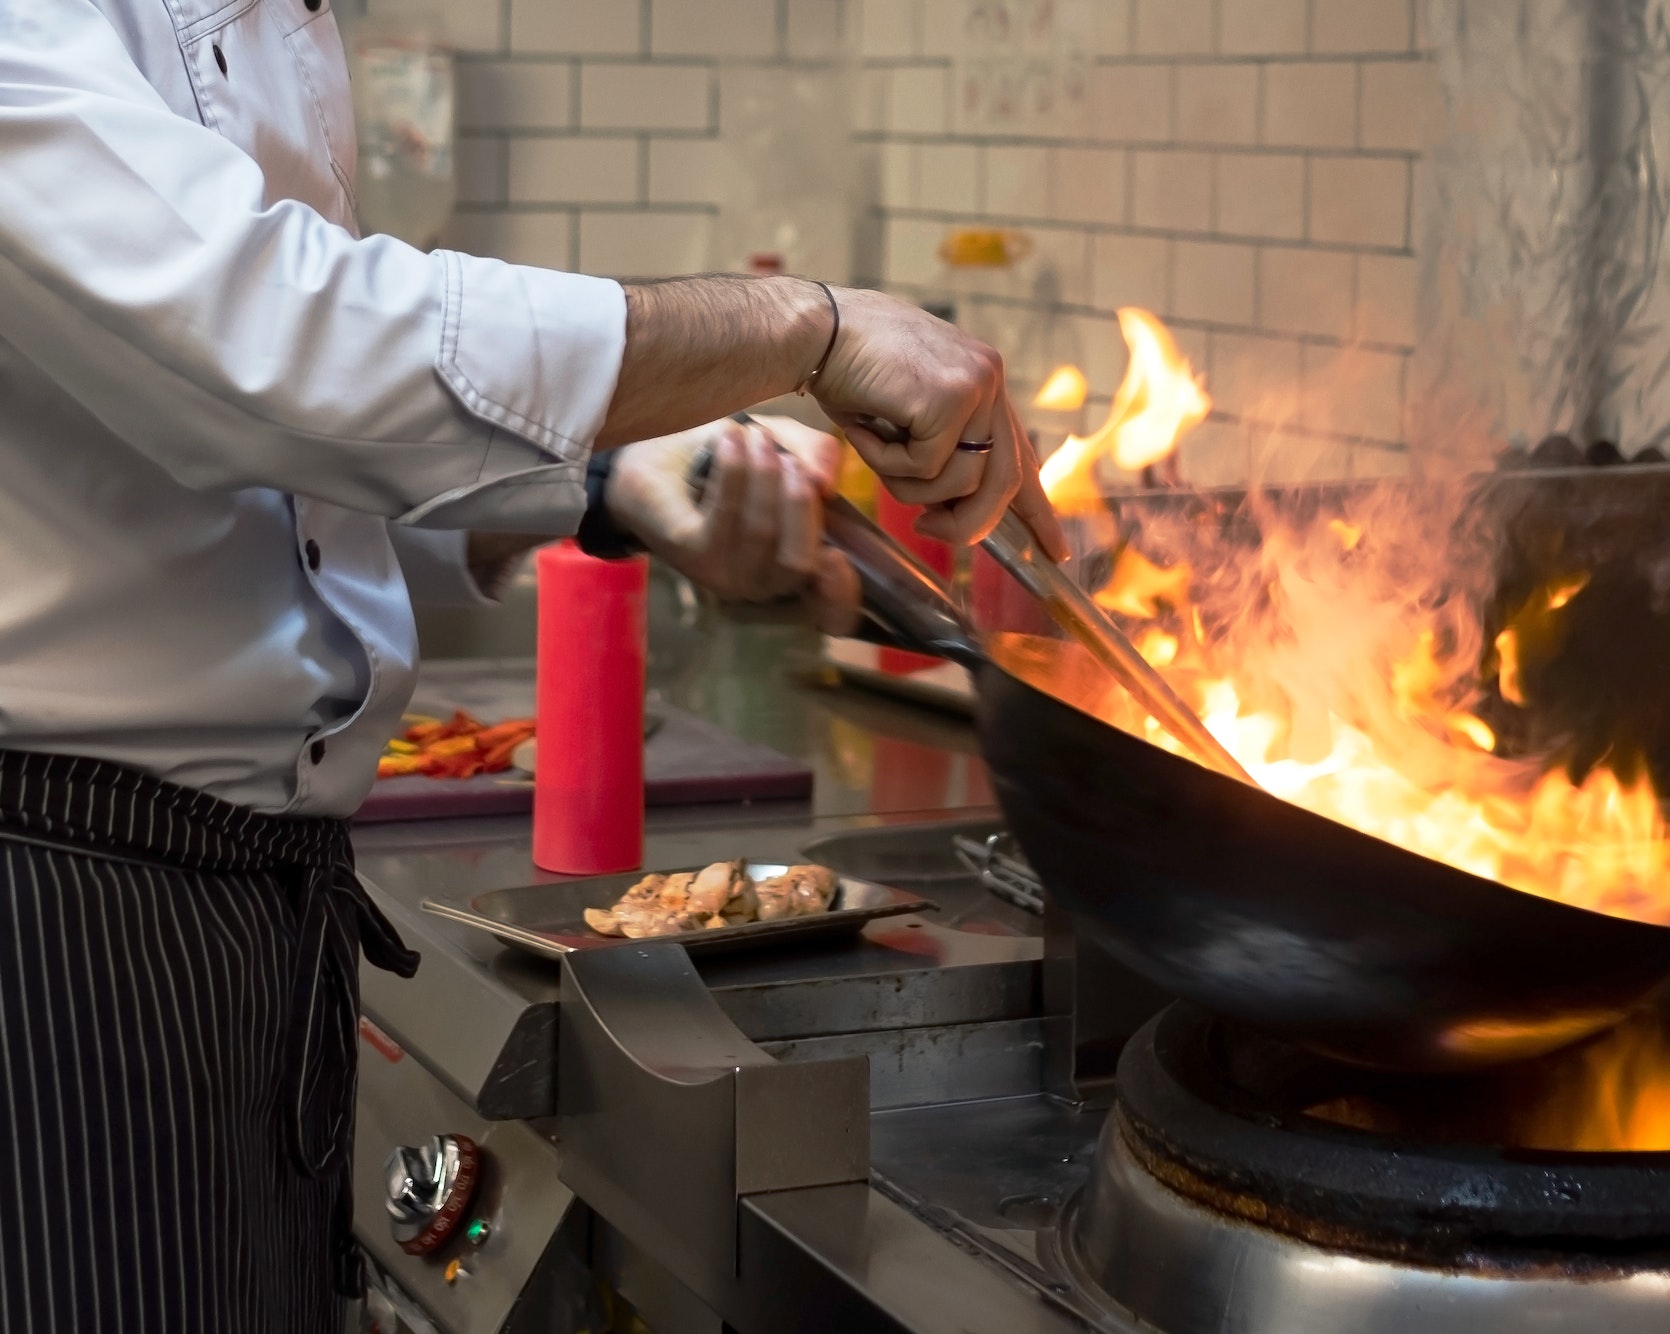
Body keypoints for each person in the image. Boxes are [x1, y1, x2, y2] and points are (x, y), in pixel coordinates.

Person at [0, 2, 1063, 1329]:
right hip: (57, 916)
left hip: (235, 917)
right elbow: (283, 354)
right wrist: (808, 327)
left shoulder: (280, 28)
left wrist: (618, 489)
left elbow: (286, 473)